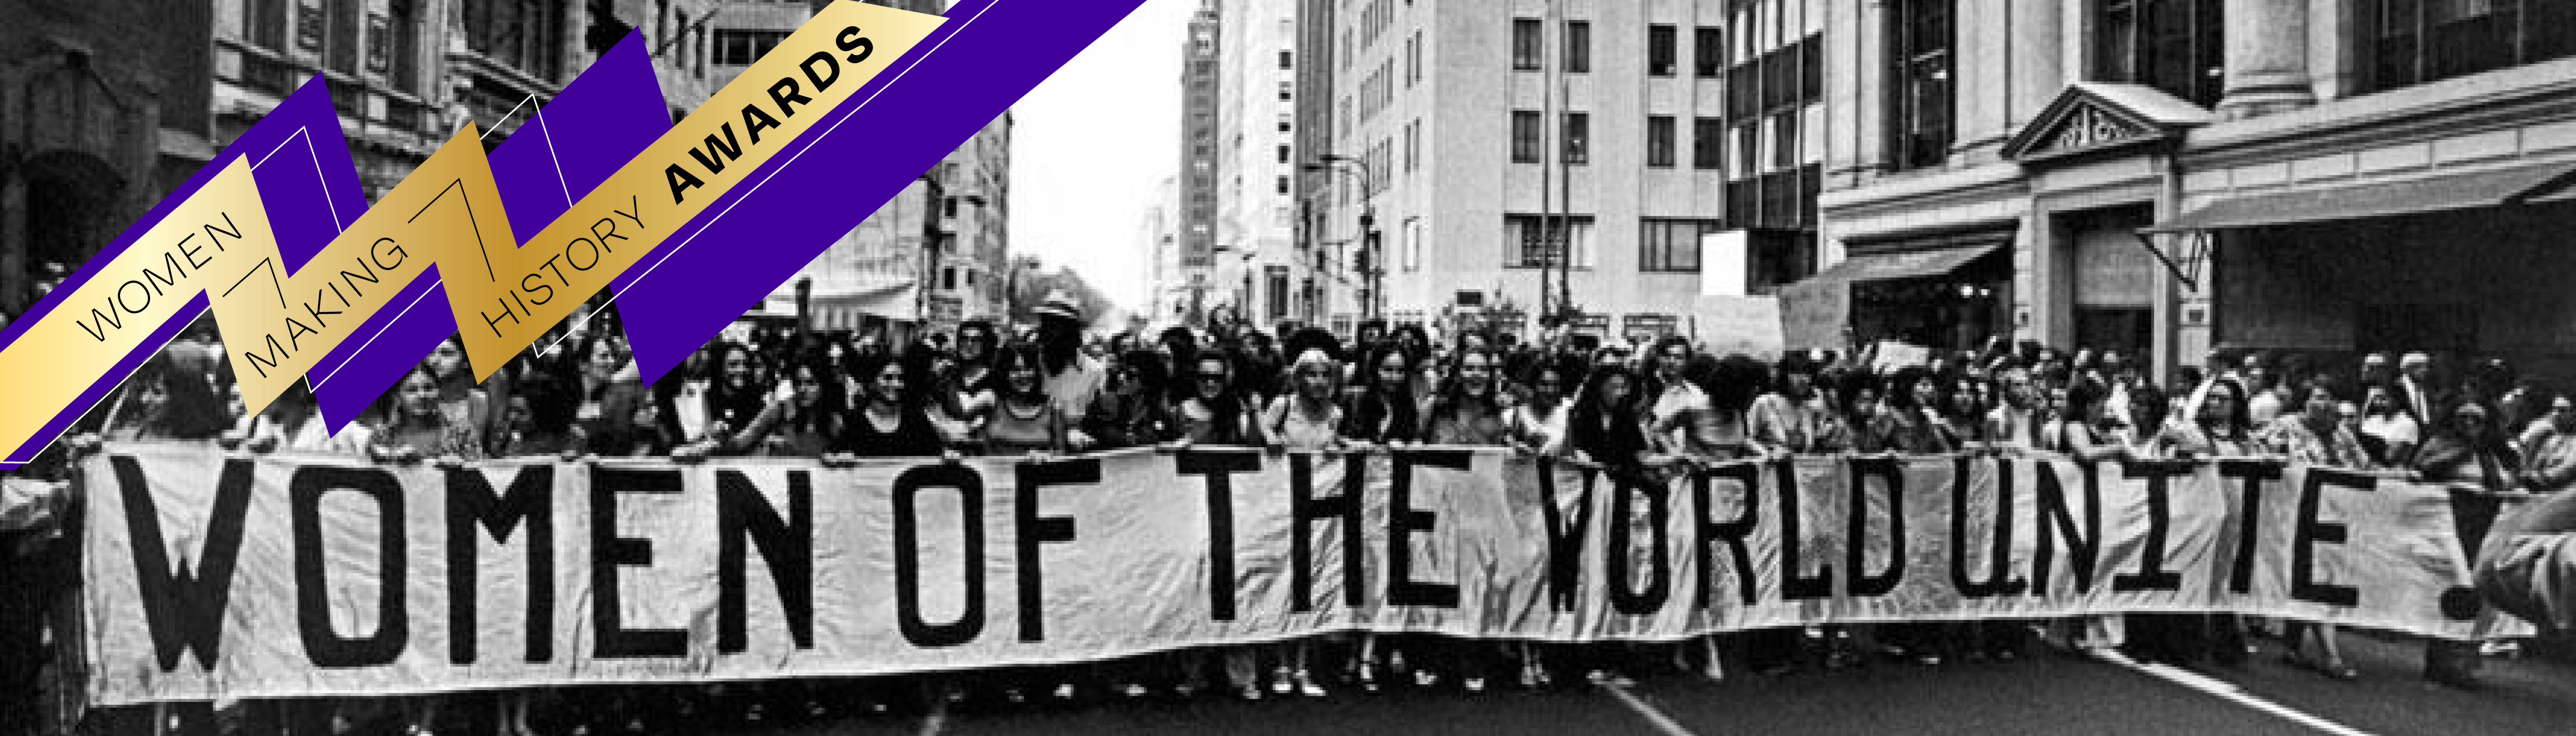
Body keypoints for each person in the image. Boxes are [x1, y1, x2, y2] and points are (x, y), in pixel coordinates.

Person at [2257, 382, 2373, 681]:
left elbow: (2364, 466)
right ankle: (2331, 655)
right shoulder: (2282, 428)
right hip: (2294, 516)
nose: (2326, 404)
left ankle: (2293, 645)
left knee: (2316, 580)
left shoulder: (2341, 434)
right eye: (2319, 397)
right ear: (2304, 401)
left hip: (2332, 518)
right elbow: (2260, 457)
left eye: (2331, 397)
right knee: (2314, 580)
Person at [2414, 401, 2522, 688]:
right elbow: (2422, 469)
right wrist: (2460, 453)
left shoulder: (2491, 454)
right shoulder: (2439, 445)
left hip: (2482, 528)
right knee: (2450, 593)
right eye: (2463, 418)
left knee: (2476, 593)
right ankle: (2437, 665)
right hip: (2449, 527)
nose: (2470, 424)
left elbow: (2505, 482)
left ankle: (2462, 663)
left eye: (2477, 420)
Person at [982, 343, 1068, 458]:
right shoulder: (992, 404)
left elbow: (1061, 455)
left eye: (1028, 369)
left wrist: (1046, 456)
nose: (1023, 375)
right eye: (1015, 370)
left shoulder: (1053, 407)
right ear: (1004, 373)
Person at [2357, 384, 2422, 468]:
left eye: (2384, 399)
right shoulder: (2371, 421)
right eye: (2377, 399)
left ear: (2398, 401)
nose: (2379, 403)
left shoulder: (2409, 424)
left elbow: (2390, 457)